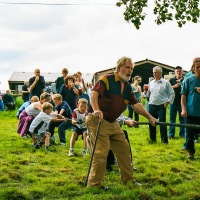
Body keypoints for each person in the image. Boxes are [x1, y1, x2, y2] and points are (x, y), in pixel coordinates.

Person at [86, 56, 156, 188]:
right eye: (127, 67)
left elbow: (135, 104)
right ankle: (94, 184)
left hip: (113, 122)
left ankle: (128, 181)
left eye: (131, 68)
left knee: (124, 150)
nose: (130, 71)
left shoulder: (128, 87)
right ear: (119, 68)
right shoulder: (107, 79)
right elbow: (94, 93)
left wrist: (150, 117)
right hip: (98, 120)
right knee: (101, 152)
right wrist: (96, 109)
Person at [145, 66, 175, 144]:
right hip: (151, 105)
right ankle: (152, 140)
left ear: (160, 73)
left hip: (161, 106)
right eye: (153, 72)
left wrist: (167, 102)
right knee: (151, 122)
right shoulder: (151, 83)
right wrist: (145, 92)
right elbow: (148, 94)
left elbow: (172, 93)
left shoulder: (166, 83)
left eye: (156, 72)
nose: (154, 74)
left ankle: (164, 141)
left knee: (162, 123)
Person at [181, 57, 200, 160]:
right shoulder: (188, 80)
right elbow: (183, 95)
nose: (199, 69)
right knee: (189, 134)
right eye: (197, 67)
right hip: (191, 112)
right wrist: (183, 109)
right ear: (193, 68)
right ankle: (190, 152)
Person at [168, 66, 185, 139]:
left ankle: (182, 135)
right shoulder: (171, 80)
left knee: (182, 120)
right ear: (175, 73)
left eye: (180, 71)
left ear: (182, 72)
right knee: (172, 120)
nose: (178, 72)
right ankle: (171, 134)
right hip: (173, 102)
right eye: (177, 71)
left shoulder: (185, 80)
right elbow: (167, 90)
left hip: (182, 103)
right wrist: (174, 86)